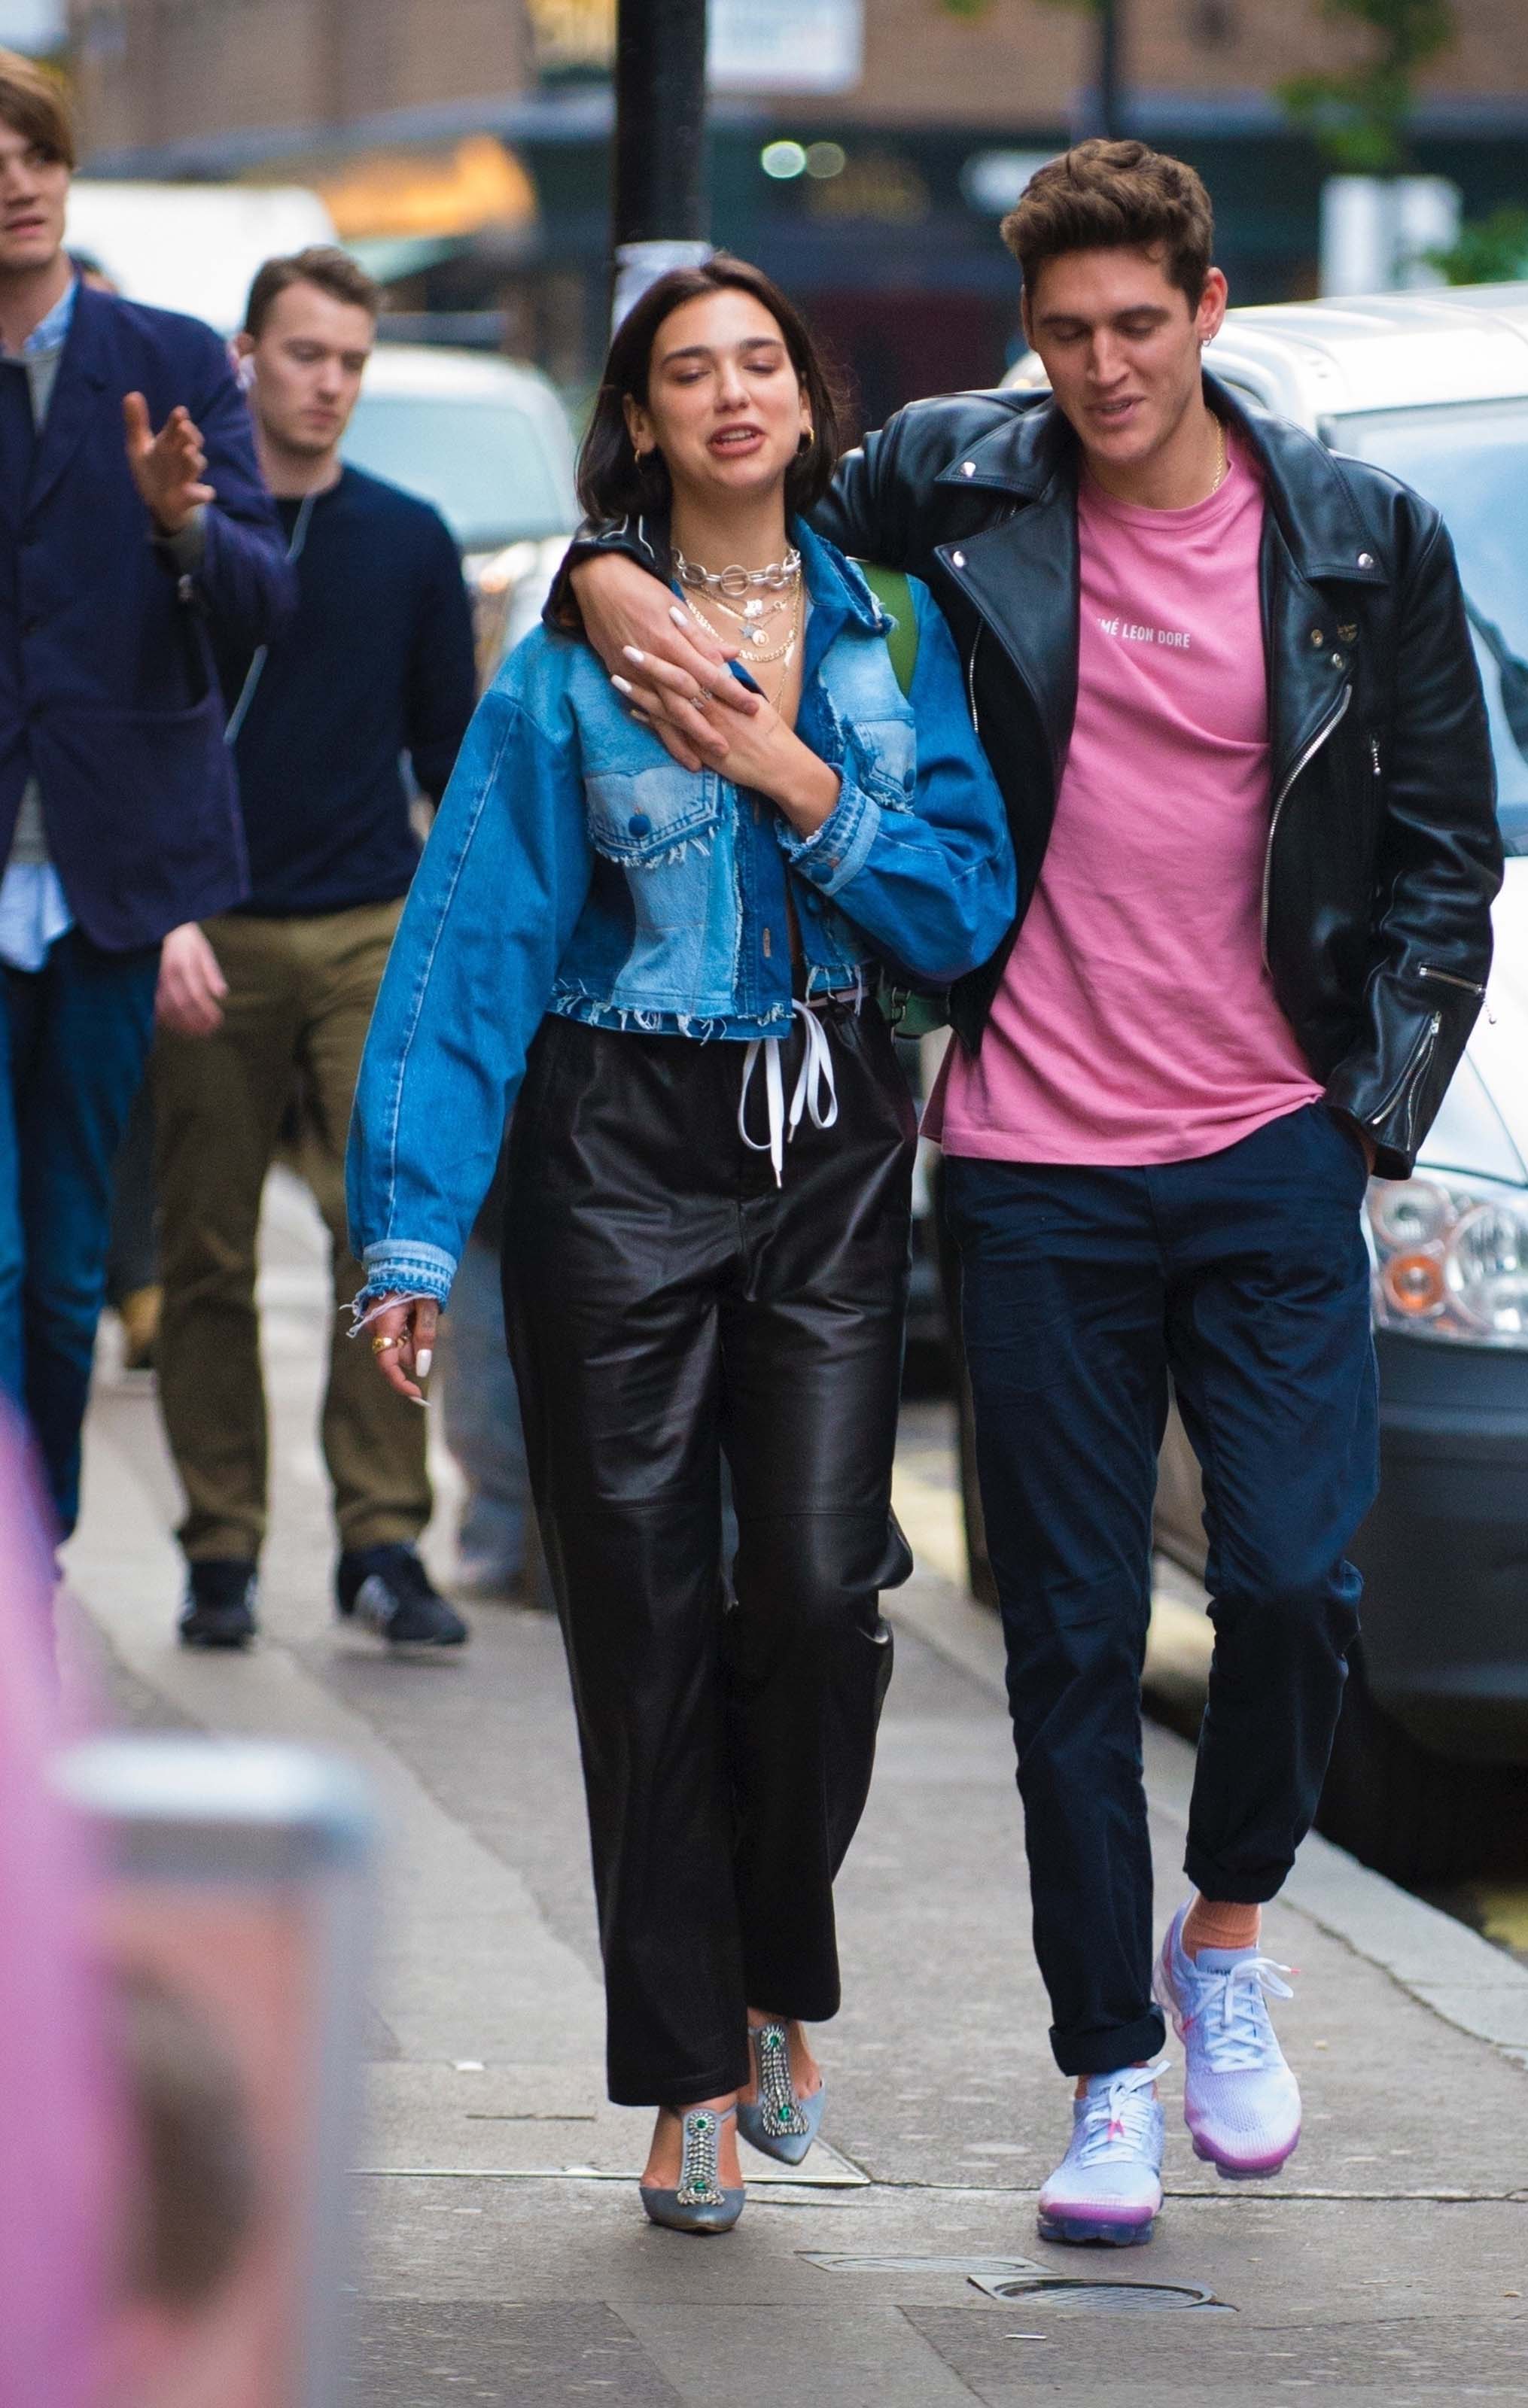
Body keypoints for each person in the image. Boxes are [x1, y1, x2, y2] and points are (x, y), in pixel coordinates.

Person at [558, 143, 1502, 2247]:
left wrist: (1370, 1114)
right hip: (1033, 1163)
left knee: (1292, 1588)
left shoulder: (1359, 540)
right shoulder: (958, 483)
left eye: (1135, 327)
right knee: (1069, 1642)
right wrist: (598, 580)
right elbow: (722, 506)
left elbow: (1450, 851)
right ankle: (1107, 2074)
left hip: (1269, 1147)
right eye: (1065, 332)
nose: (1100, 369)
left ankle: (1226, 1940)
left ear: (1209, 308)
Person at [348, 259, 1013, 2231]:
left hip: (825, 1144)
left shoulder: (893, 628)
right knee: (636, 1624)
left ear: (810, 404)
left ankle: (778, 1974)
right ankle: (689, 2077)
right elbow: (474, 941)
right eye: (686, 372)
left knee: (815, 1593)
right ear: (640, 418)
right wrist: (405, 1230)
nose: (731, 396)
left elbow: (959, 909)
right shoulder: (572, 659)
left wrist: (793, 776)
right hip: (614, 1144)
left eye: (761, 364)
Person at [151, 246, 475, 1653]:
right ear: (246, 357)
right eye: (304, 355)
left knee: (382, 1233)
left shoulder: (408, 539)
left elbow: (453, 761)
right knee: (207, 1250)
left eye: (351, 359)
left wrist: (457, 944)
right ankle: (221, 1545)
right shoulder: (176, 528)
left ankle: (385, 1540)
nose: (330, 382)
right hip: (205, 923)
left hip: (364, 925)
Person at [0, 50, 293, 1539]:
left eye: (35, 148)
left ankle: (30, 1566)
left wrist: (184, 529)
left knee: (62, 1273)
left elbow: (261, 603)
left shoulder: (170, 360)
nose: (12, 174)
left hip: (116, 876)